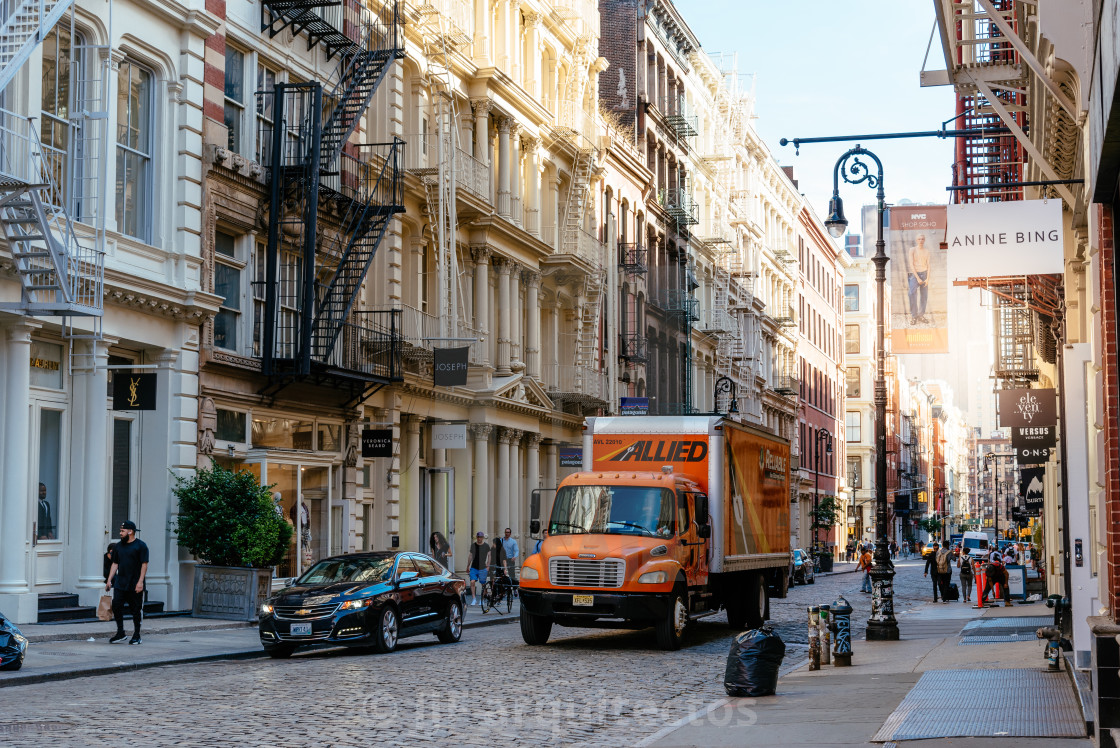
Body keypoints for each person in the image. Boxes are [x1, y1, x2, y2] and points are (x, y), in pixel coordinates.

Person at [105, 520, 149, 644]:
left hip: (135, 583)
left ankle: (136, 634)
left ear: (130, 532)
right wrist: (109, 580)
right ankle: (120, 632)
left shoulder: (141, 546)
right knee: (116, 605)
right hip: (120, 582)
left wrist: (140, 582)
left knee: (135, 609)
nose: (120, 533)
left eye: (122, 531)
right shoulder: (118, 546)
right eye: (120, 531)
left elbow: (144, 565)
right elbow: (115, 563)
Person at [907, 234, 931, 325]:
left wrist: (927, 278)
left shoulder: (927, 251)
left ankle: (921, 315)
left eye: (922, 239)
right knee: (911, 293)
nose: (921, 240)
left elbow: (929, 265)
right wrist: (917, 278)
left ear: (924, 240)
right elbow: (911, 264)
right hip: (914, 274)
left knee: (924, 296)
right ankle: (914, 316)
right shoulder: (912, 250)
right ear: (916, 240)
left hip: (924, 273)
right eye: (919, 239)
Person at [465, 531, 490, 605]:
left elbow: (489, 556)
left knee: (483, 584)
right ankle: (474, 599)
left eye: (481, 537)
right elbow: (470, 556)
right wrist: (468, 566)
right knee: (472, 581)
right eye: (478, 537)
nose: (479, 538)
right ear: (477, 537)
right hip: (474, 567)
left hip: (482, 567)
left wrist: (488, 566)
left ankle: (482, 599)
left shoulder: (486, 546)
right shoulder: (473, 545)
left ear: (482, 538)